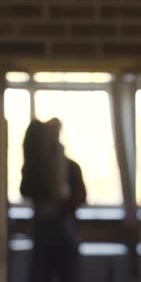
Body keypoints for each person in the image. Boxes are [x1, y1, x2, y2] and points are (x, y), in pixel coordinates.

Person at [20, 118, 86, 282]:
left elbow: (82, 196)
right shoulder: (35, 169)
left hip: (64, 227)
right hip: (44, 229)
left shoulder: (71, 167)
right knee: (41, 274)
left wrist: (64, 202)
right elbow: (25, 189)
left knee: (69, 275)